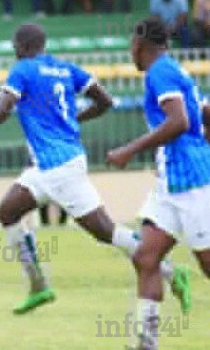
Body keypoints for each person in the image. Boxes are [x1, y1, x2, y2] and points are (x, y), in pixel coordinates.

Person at [0, 23, 189, 315]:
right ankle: (38, 286)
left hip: (58, 168)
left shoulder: (22, 70)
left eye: (14, 48)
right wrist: (70, 121)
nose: (14, 52)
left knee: (105, 232)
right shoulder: (67, 69)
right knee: (7, 212)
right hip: (48, 166)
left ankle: (168, 269)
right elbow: (105, 101)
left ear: (22, 47)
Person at [106, 17, 210, 350]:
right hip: (173, 182)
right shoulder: (173, 69)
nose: (129, 52)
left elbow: (179, 121)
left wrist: (129, 150)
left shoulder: (159, 72)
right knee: (146, 258)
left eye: (130, 45)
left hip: (192, 183)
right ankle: (145, 344)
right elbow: (203, 113)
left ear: (139, 43)